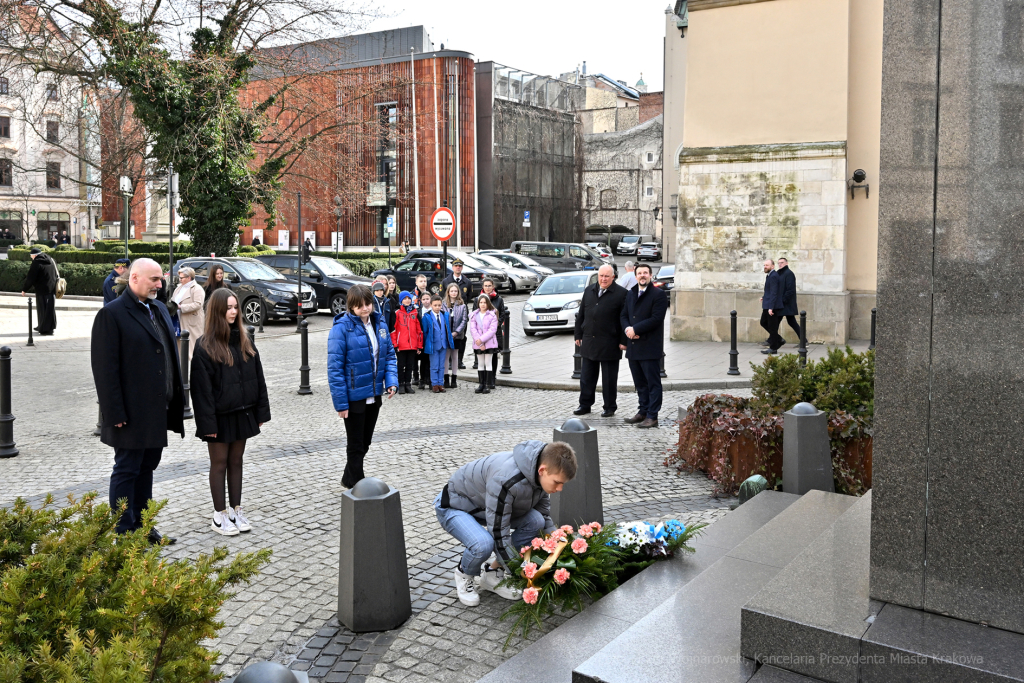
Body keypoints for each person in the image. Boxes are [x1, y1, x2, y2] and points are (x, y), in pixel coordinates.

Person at [91, 258, 184, 543]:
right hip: (130, 412)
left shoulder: (158, 309)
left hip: (158, 408)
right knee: (127, 468)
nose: (160, 284)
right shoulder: (112, 314)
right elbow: (105, 369)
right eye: (154, 279)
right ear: (134, 279)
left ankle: (144, 527)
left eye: (161, 279)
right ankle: (123, 531)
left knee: (147, 467)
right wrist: (113, 411)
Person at [434, 440, 577, 606]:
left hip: (483, 507)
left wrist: (559, 546)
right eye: (557, 482)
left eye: (563, 484)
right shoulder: (506, 480)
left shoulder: (539, 477)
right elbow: (498, 533)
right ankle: (464, 574)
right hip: (455, 506)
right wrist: (520, 570)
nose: (559, 489)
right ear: (542, 470)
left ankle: (492, 573)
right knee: (483, 543)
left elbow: (544, 517)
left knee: (536, 521)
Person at [190, 289, 270, 536]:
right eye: (228, 308)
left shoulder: (246, 340)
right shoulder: (205, 347)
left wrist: (261, 412)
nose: (233, 312)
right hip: (219, 416)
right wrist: (207, 424)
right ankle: (219, 515)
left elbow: (258, 378)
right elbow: (201, 392)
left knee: (237, 461)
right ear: (217, 311)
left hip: (243, 412)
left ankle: (236, 509)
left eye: (235, 306)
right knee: (220, 463)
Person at [327, 284, 398, 489]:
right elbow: (335, 368)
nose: (365, 309)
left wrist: (391, 381)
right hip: (354, 395)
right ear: (351, 307)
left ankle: (348, 478)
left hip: (374, 393)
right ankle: (357, 486)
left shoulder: (380, 323)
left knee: (365, 442)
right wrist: (341, 403)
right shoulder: (341, 329)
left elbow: (389, 355)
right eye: (360, 306)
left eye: (367, 304)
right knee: (356, 444)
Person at [573, 264, 628, 418]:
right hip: (590, 340)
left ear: (613, 277)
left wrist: (623, 341)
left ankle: (610, 407)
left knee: (609, 379)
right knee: (586, 377)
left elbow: (625, 319)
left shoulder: (622, 294)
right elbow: (581, 314)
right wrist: (578, 334)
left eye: (607, 276)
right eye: (601, 276)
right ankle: (585, 404)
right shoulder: (589, 290)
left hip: (610, 341)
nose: (603, 279)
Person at [620, 263, 669, 429]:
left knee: (652, 384)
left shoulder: (658, 294)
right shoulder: (631, 293)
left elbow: (656, 319)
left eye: (645, 273)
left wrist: (635, 329)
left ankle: (652, 416)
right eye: (639, 273)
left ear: (650, 275)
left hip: (649, 346)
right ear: (635, 276)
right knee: (639, 383)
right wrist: (628, 329)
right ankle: (642, 411)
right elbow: (624, 314)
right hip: (633, 346)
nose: (642, 275)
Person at [763, 257, 800, 354]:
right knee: (774, 324)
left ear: (787, 263)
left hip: (785, 304)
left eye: (782, 263)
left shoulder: (789, 274)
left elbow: (790, 290)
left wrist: (782, 301)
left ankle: (774, 341)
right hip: (780, 303)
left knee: (777, 323)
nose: (780, 264)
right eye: (779, 263)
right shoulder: (779, 273)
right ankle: (774, 340)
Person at [442, 259, 474, 369]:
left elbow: (468, 297)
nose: (458, 268)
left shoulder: (467, 282)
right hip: (448, 314)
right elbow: (443, 297)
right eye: (456, 266)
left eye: (460, 266)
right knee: (448, 336)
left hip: (461, 315)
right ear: (453, 267)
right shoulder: (446, 281)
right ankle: (449, 361)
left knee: (461, 338)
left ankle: (459, 360)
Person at [171, 266, 206, 365]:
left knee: (192, 348)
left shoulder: (197, 289)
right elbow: (173, 300)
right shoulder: (178, 288)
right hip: (178, 321)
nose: (180, 279)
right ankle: (182, 369)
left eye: (182, 278)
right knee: (180, 348)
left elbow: (198, 304)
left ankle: (193, 369)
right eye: (179, 278)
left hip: (191, 323)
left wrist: (181, 307)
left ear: (189, 277)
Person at [21, 247, 59, 335]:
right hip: (52, 288)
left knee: (42, 309)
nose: (31, 258)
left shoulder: (36, 262)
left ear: (34, 255)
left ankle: (44, 329)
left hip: (42, 290)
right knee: (50, 309)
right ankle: (49, 328)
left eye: (31, 256)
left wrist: (24, 289)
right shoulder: (51, 259)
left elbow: (31, 278)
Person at [391, 290, 423, 394]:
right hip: (401, 345)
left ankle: (408, 384)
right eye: (405, 298)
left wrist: (419, 345)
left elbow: (419, 330)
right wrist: (395, 344)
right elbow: (393, 330)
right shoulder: (397, 313)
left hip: (412, 345)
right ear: (401, 300)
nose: (407, 300)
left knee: (410, 366)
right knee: (401, 366)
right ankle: (401, 384)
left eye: (409, 298)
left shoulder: (415, 312)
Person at [422, 294, 454, 392]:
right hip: (433, 345)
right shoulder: (427, 317)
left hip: (443, 344)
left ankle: (441, 383)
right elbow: (425, 332)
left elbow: (447, 329)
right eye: (435, 305)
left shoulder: (445, 315)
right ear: (431, 305)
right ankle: (434, 383)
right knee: (434, 365)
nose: (437, 307)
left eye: (439, 305)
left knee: (442, 365)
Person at [469, 294, 498, 394]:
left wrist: (482, 340)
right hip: (478, 343)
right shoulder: (474, 315)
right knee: (480, 363)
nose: (482, 304)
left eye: (484, 302)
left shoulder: (492, 315)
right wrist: (479, 342)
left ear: (488, 303)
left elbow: (492, 330)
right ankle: (481, 384)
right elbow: (473, 329)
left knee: (488, 363)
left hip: (489, 343)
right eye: (481, 302)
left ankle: (487, 384)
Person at [480, 279, 505, 389]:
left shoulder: (498, 300)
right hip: (482, 333)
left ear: (493, 286)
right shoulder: (479, 299)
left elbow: (503, 314)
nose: (488, 288)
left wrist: (494, 325)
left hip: (494, 333)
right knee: (483, 356)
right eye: (486, 286)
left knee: (493, 355)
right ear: (483, 287)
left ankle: (492, 379)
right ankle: (484, 380)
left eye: (490, 285)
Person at [442, 283, 468, 389]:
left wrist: (456, 332)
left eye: (455, 291)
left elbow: (464, 320)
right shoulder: (443, 304)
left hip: (457, 335)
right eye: (452, 291)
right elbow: (442, 319)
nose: (454, 293)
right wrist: (448, 333)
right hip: (446, 335)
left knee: (455, 356)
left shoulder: (462, 305)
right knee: (446, 356)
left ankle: (454, 378)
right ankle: (446, 378)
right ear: (448, 292)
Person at [759, 259, 780, 347]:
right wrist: (764, 297)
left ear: (772, 266)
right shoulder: (770, 275)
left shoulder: (773, 276)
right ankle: (778, 340)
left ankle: (774, 347)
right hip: (767, 304)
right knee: (763, 322)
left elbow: (774, 292)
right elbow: (769, 290)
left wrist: (771, 307)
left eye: (767, 265)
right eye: (764, 265)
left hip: (771, 306)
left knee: (772, 327)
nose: (765, 267)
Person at [416, 292, 432, 389]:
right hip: (421, 339)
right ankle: (422, 380)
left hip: (430, 339)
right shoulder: (418, 312)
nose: (426, 301)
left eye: (427, 299)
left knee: (430, 360)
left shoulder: (433, 310)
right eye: (424, 299)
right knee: (422, 360)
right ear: (421, 301)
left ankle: (429, 379)